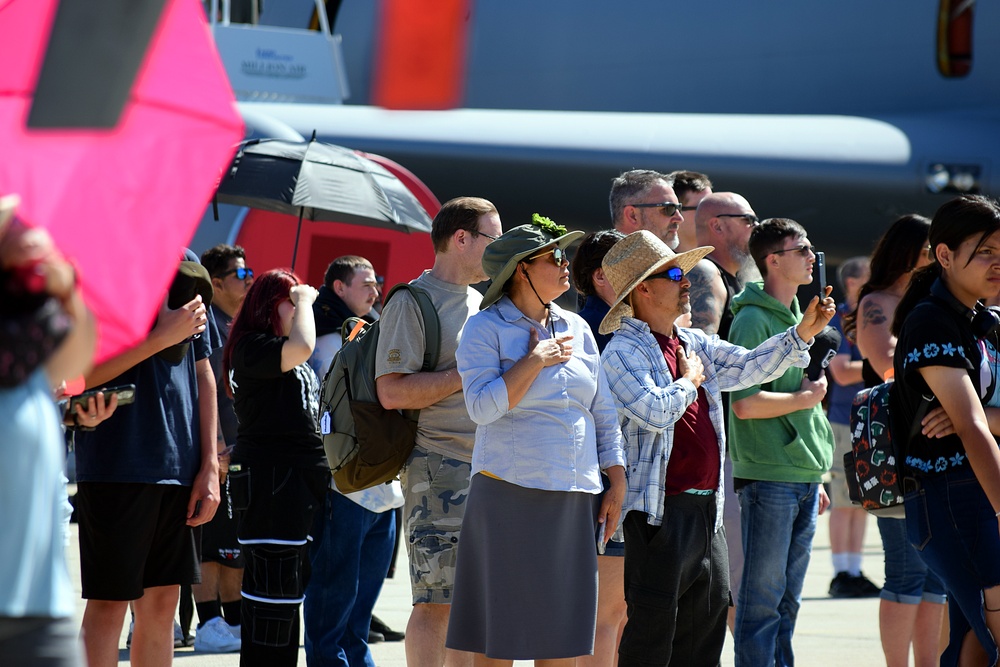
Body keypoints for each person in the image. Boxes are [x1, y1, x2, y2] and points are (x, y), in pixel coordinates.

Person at [599, 230, 835, 666]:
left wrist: (802, 332)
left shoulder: (693, 343)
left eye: (685, 270)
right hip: (659, 515)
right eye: (674, 272)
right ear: (643, 288)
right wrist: (689, 381)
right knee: (651, 639)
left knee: (703, 636)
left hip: (706, 513)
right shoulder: (621, 351)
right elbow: (653, 411)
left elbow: (747, 366)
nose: (686, 280)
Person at [446, 215, 627, 663]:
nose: (567, 265)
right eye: (555, 256)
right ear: (521, 269)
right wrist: (534, 361)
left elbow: (601, 410)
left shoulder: (578, 327)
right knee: (499, 640)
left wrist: (617, 477)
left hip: (574, 494)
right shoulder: (483, 327)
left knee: (561, 639)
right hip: (510, 491)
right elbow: (481, 408)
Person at [375, 196, 502, 667]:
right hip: (438, 466)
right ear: (461, 238)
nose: (499, 248)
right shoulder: (414, 300)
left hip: (488, 467)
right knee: (437, 602)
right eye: (493, 237)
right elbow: (392, 392)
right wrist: (471, 375)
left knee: (474, 606)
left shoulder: (482, 302)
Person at [76, 254, 220, 667]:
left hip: (180, 465)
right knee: (109, 605)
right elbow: (80, 374)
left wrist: (209, 463)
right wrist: (160, 337)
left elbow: (203, 370)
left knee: (161, 606)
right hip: (116, 463)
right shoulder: (99, 258)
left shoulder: (186, 259)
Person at [886, 196, 1000, 665]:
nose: (998, 262)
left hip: (978, 491)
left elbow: (978, 418)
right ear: (945, 255)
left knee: (975, 643)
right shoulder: (931, 320)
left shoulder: (983, 320)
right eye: (986, 250)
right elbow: (971, 428)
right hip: (953, 497)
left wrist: (986, 419)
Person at [0, 194, 109, 667]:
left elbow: (73, 362)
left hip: (40, 609)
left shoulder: (29, 322)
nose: (25, 224)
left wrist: (68, 289)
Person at [727, 218, 835, 666]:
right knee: (761, 604)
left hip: (801, 475)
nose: (813, 257)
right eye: (802, 249)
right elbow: (745, 404)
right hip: (769, 475)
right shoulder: (753, 319)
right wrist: (804, 397)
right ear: (773, 260)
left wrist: (817, 473)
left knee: (786, 603)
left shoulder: (797, 317)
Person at [843, 214, 946, 667]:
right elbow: (888, 364)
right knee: (906, 572)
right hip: (896, 451)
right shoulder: (877, 302)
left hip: (943, 448)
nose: (936, 259)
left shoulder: (936, 299)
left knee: (938, 578)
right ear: (906, 252)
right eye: (928, 251)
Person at [222, 269, 329, 666]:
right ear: (270, 306)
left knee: (288, 599)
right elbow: (303, 347)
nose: (302, 306)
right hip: (272, 487)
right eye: (291, 300)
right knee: (271, 601)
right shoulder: (253, 347)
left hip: (296, 487)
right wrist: (304, 299)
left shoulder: (274, 347)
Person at [304, 254, 405, 667]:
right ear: (339, 288)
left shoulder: (377, 329)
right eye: (365, 282)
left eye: (376, 282)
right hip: (344, 483)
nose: (375, 289)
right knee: (334, 593)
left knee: (362, 602)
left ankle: (356, 660)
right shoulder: (322, 338)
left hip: (383, 486)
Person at [684, 190, 760, 633]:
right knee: (730, 583)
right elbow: (700, 359)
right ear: (718, 225)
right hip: (716, 452)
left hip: (727, 450)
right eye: (747, 218)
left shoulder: (736, 282)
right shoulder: (707, 274)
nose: (756, 225)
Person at [187, 243, 253, 652]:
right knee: (211, 543)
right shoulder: (207, 321)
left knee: (234, 543)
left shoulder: (239, 324)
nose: (249, 281)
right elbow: (200, 386)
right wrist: (216, 446)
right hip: (214, 453)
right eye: (240, 275)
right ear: (215, 282)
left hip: (239, 452)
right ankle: (208, 624)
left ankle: (231, 623)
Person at [571, 228, 627, 667]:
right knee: (602, 616)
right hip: (600, 485)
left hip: (608, 481)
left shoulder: (612, 327)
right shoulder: (596, 331)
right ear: (602, 277)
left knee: (614, 614)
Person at [824, 256, 880, 599]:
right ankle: (840, 571)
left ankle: (855, 569)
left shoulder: (872, 317)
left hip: (869, 419)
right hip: (845, 419)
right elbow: (842, 371)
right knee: (843, 503)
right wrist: (884, 364)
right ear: (853, 283)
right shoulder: (840, 318)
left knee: (862, 503)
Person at [310, 255, 380, 378]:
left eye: (375, 285)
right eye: (367, 285)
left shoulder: (364, 323)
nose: (375, 293)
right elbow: (338, 393)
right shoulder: (329, 336)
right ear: (340, 288)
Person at [609, 169, 685, 250]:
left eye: (678, 208)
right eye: (669, 209)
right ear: (633, 216)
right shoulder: (597, 260)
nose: (680, 219)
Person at [666, 170, 713, 252]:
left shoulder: (724, 261)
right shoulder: (653, 262)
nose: (714, 215)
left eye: (713, 206)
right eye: (702, 208)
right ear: (676, 212)